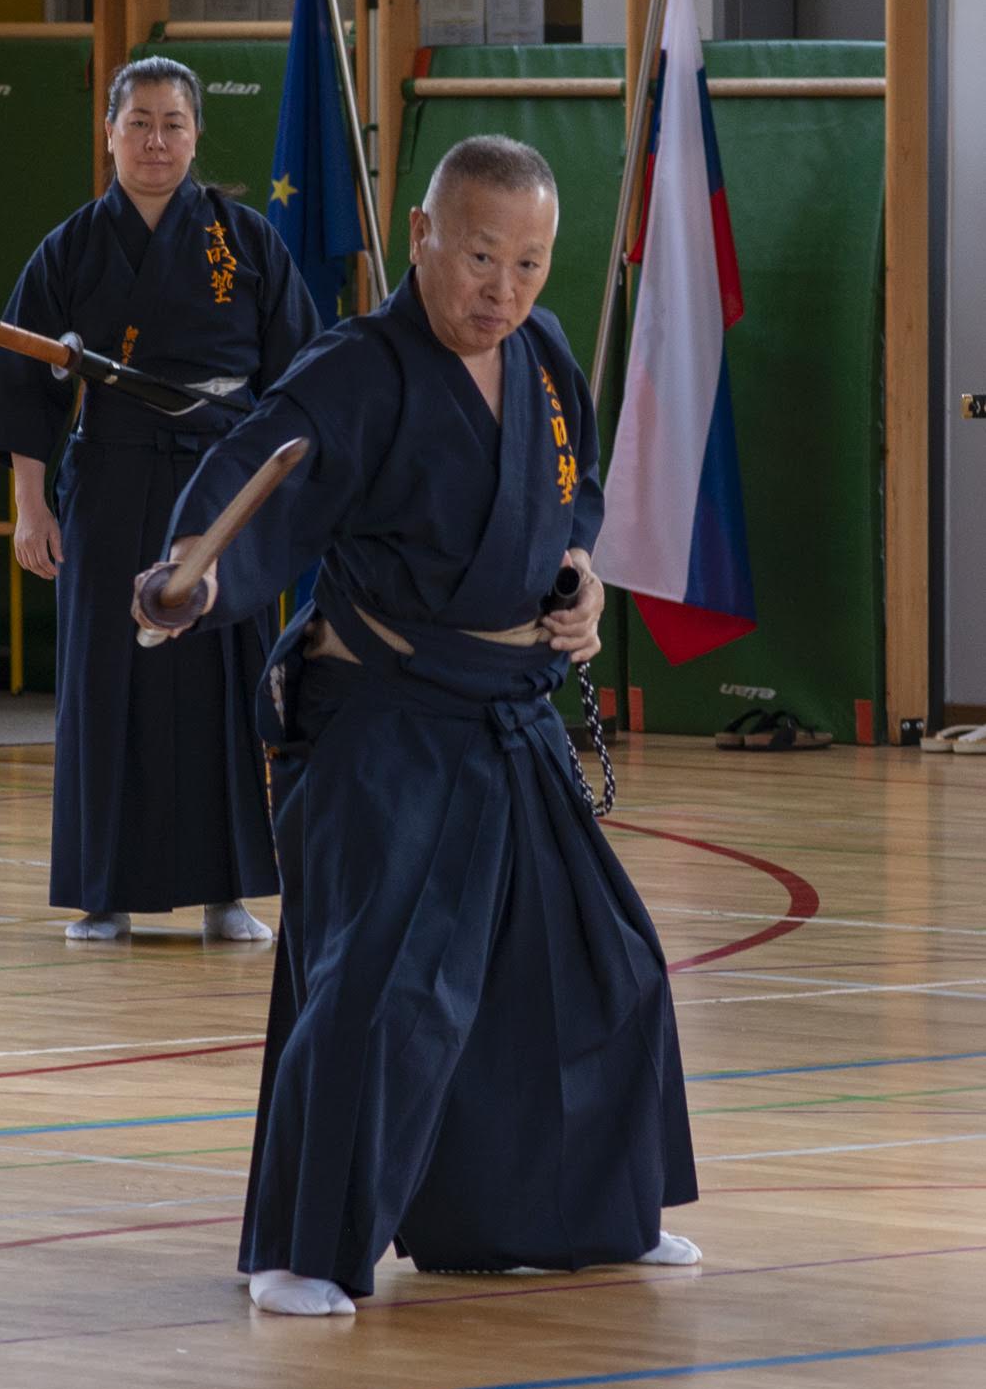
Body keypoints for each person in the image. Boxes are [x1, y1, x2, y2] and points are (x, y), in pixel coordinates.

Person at [134, 135, 699, 1316]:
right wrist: (187, 578)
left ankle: (579, 1213)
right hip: (383, 721)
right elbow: (252, 480)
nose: (503, 291)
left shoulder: (540, 357)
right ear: (424, 236)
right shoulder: (356, 369)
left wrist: (580, 577)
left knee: (609, 966)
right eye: (482, 256)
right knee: (378, 983)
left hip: (506, 714)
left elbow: (568, 491)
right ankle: (303, 1249)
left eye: (531, 264)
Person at [0, 55, 321, 941]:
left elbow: (301, 381)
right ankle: (102, 890)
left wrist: (275, 504)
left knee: (222, 677)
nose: (156, 140)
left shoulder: (246, 241)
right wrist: (32, 506)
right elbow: (22, 383)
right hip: (113, 478)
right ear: (109, 132)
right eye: (139, 122)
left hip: (218, 487)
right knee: (104, 678)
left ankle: (226, 889)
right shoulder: (72, 247)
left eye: (173, 123)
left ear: (197, 136)